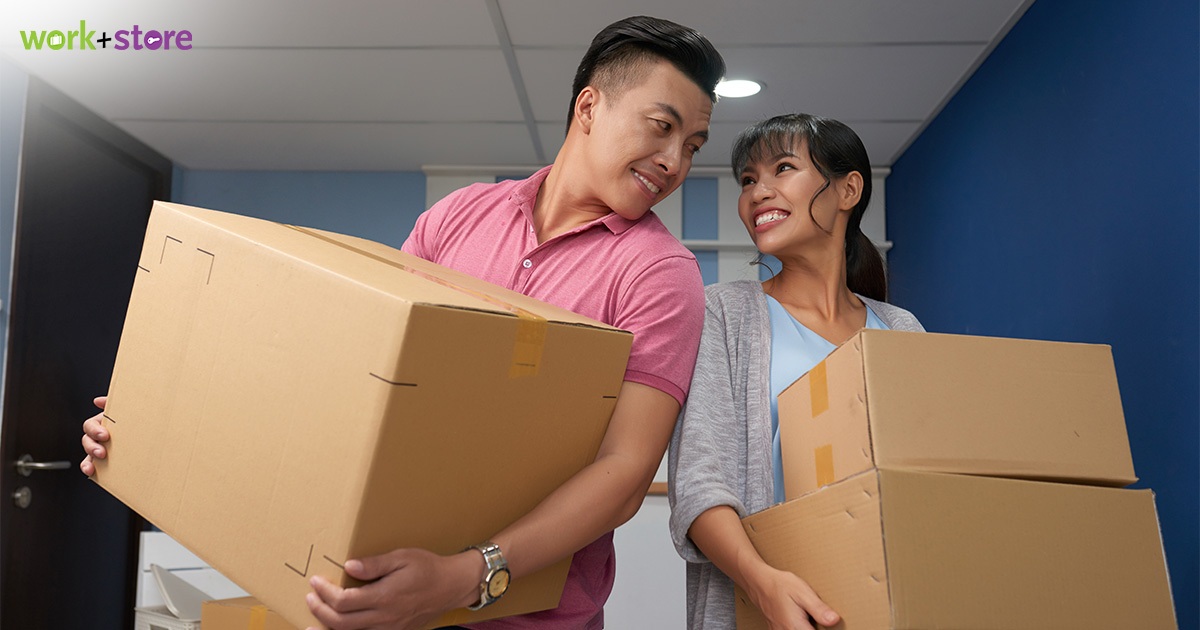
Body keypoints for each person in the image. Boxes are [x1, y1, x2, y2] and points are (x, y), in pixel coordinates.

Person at [81, 15, 726, 630]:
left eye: (692, 145)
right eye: (660, 127)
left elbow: (623, 473)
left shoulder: (660, 274)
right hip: (371, 594)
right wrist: (163, 424)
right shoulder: (461, 215)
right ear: (589, 107)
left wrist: (464, 576)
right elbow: (353, 377)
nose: (674, 162)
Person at [667, 113, 925, 629]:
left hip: (883, 602)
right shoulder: (723, 313)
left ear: (848, 189)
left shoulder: (900, 329)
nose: (758, 192)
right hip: (759, 603)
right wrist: (763, 584)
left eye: (782, 168)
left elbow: (924, 482)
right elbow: (700, 483)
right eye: (747, 180)